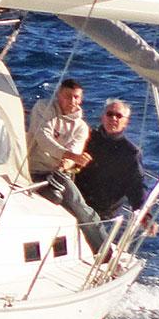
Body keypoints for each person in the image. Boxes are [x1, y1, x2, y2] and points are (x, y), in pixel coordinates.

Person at [26, 78, 106, 253]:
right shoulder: (43, 108)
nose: (72, 101)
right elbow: (43, 138)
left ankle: (104, 252)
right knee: (52, 199)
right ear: (58, 96)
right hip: (30, 170)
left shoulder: (81, 127)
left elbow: (74, 151)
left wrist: (67, 162)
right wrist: (72, 156)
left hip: (57, 173)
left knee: (79, 205)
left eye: (76, 97)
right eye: (67, 96)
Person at [75, 98, 159, 238]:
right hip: (76, 202)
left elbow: (137, 186)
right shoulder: (86, 138)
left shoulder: (130, 153)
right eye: (109, 114)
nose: (113, 118)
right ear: (103, 117)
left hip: (103, 213)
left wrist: (145, 216)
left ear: (126, 122)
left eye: (119, 116)